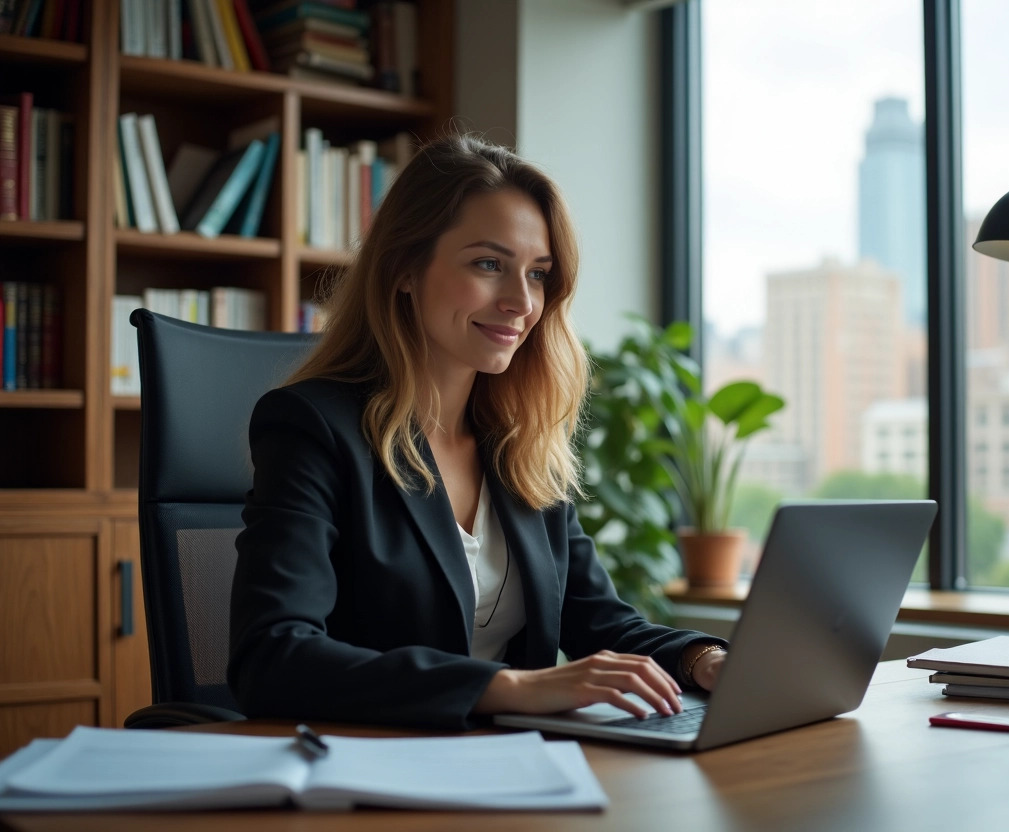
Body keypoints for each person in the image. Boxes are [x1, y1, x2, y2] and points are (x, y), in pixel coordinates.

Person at [227, 133, 728, 730]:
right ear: (405, 270)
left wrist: (706, 660)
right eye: (489, 264)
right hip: (374, 765)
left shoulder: (520, 444)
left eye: (538, 274)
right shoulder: (314, 428)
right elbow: (274, 657)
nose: (521, 301)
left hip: (514, 768)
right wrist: (507, 687)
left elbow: (602, 624)